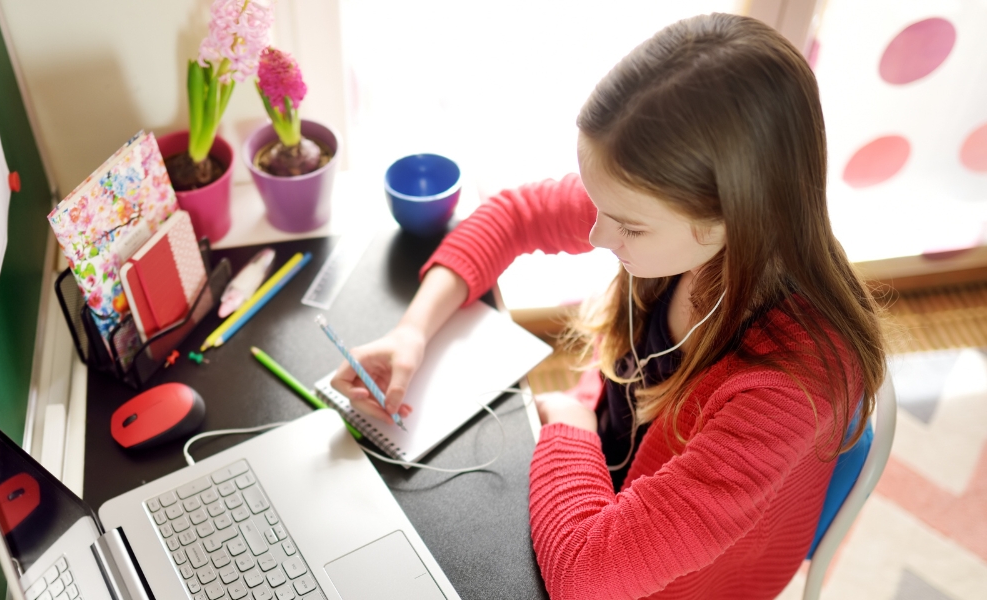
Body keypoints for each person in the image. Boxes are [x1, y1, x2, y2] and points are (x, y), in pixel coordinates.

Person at [329, 12, 886, 600]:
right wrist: (413, 331)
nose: (595, 235)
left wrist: (571, 428)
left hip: (675, 580)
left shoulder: (787, 390)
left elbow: (585, 576)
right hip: (614, 476)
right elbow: (513, 214)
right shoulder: (682, 221)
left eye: (627, 227)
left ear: (729, 219)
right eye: (598, 204)